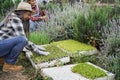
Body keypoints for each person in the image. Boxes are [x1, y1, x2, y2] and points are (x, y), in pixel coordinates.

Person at [0, 2, 50, 72]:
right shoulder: (15, 19)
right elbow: (23, 40)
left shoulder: (12, 16)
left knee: (17, 40)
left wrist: (35, 46)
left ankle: (2, 59)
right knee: (21, 40)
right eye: (28, 14)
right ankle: (9, 65)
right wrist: (37, 50)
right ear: (22, 12)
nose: (29, 17)